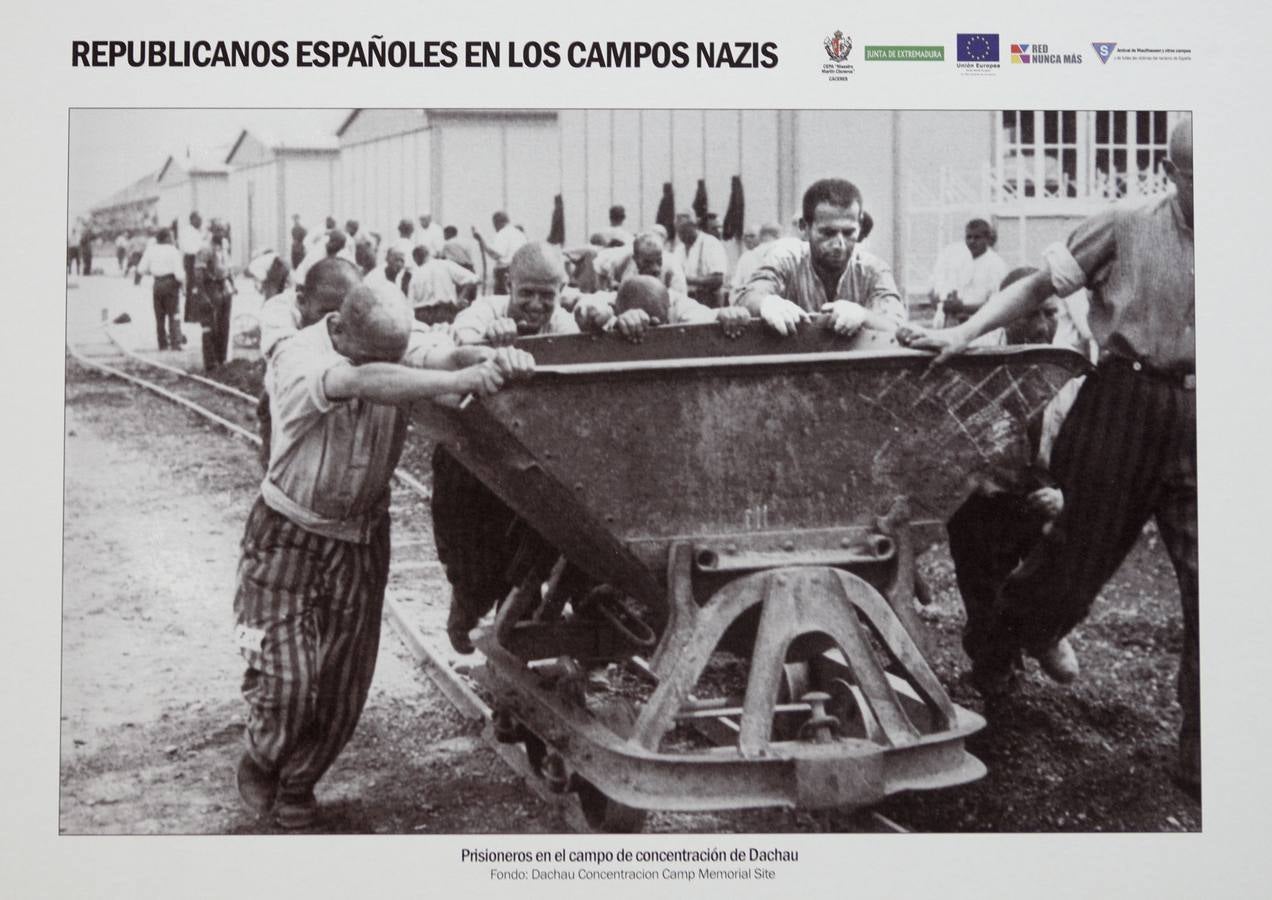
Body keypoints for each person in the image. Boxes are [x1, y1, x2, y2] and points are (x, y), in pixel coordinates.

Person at [898, 116, 1199, 794]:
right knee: (1070, 565)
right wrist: (967, 333)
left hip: (1207, 412)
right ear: (1172, 171)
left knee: (1216, 589)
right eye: (1199, 180)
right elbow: (1037, 286)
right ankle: (1002, 642)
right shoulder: (1124, 223)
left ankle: (1204, 756)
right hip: (1124, 400)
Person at [234, 284, 534, 828]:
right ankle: (265, 754)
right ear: (341, 328)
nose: (390, 361)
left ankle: (300, 785)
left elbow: (441, 354)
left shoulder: (391, 341)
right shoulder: (302, 356)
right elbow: (362, 380)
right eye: (378, 353)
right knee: (289, 679)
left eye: (395, 352)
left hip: (361, 537)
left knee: (344, 682)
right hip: (287, 534)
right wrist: (456, 380)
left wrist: (488, 357)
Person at [735, 178, 905, 337]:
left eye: (848, 232)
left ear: (860, 225)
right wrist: (766, 303)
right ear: (805, 227)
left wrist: (864, 316)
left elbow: (897, 327)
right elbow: (747, 297)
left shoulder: (873, 269)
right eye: (827, 233)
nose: (839, 244)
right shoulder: (785, 260)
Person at [257, 257, 364, 468]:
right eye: (325, 313)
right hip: (285, 397)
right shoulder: (279, 311)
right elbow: (284, 351)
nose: (335, 323)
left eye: (345, 313)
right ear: (302, 301)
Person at [452, 241, 578, 346]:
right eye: (527, 293)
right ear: (508, 285)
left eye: (546, 295)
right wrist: (485, 338)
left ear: (560, 290)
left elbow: (579, 347)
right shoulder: (487, 309)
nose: (536, 305)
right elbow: (462, 337)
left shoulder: (561, 321)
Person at [575, 274, 751, 342]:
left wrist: (727, 314)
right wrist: (612, 322)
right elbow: (584, 310)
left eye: (660, 323)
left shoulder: (675, 301)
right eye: (646, 325)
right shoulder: (609, 301)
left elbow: (705, 316)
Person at [928, 218, 1009, 327]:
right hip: (950, 323)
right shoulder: (955, 256)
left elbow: (997, 306)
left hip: (980, 328)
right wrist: (940, 302)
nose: (972, 241)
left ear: (987, 239)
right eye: (969, 237)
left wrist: (963, 308)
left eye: (977, 237)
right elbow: (935, 289)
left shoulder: (997, 265)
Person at [193, 220, 235, 371]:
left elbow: (228, 268)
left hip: (224, 287)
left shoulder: (224, 246)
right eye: (218, 230)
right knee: (210, 326)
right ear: (212, 231)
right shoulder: (205, 248)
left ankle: (221, 359)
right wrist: (203, 294)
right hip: (211, 287)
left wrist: (232, 284)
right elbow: (198, 273)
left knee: (224, 325)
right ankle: (210, 363)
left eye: (223, 230)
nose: (221, 234)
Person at [595, 231, 690, 295]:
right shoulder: (621, 258)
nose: (655, 268)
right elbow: (598, 263)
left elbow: (681, 303)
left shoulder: (673, 268)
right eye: (648, 262)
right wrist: (606, 289)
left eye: (659, 261)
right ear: (635, 259)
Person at [137, 228, 185, 351]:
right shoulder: (173, 251)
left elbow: (141, 269)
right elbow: (179, 274)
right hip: (171, 283)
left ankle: (162, 343)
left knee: (159, 316)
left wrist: (153, 270)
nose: (174, 239)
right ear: (166, 238)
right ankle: (176, 342)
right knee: (174, 314)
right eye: (172, 237)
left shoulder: (151, 250)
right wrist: (183, 284)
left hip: (157, 284)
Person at [407, 245, 481, 325]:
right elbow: (474, 279)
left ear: (416, 259)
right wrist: (460, 298)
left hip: (422, 315)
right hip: (444, 313)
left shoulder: (415, 275)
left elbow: (410, 305)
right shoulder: (444, 265)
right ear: (429, 254)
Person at [672, 211, 728, 307]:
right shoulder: (678, 250)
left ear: (695, 226)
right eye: (679, 232)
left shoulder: (711, 244)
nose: (681, 236)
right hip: (686, 301)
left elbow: (718, 279)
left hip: (709, 302)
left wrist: (688, 280)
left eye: (685, 231)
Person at [471, 211, 527, 296]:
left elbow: (496, 253)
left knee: (502, 301)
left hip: (506, 272)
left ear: (497, 222)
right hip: (520, 271)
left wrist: (482, 239)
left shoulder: (503, 233)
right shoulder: (519, 234)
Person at [729, 222, 782, 302]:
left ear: (761, 236)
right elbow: (736, 286)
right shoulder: (746, 257)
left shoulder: (777, 253)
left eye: (752, 236)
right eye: (745, 236)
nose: (748, 239)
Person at [179, 212, 205, 320]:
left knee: (196, 286)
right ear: (193, 219)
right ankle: (191, 315)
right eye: (199, 219)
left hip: (194, 258)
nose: (200, 222)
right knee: (193, 286)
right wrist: (200, 248)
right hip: (192, 259)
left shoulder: (194, 231)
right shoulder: (189, 232)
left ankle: (193, 313)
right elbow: (189, 248)